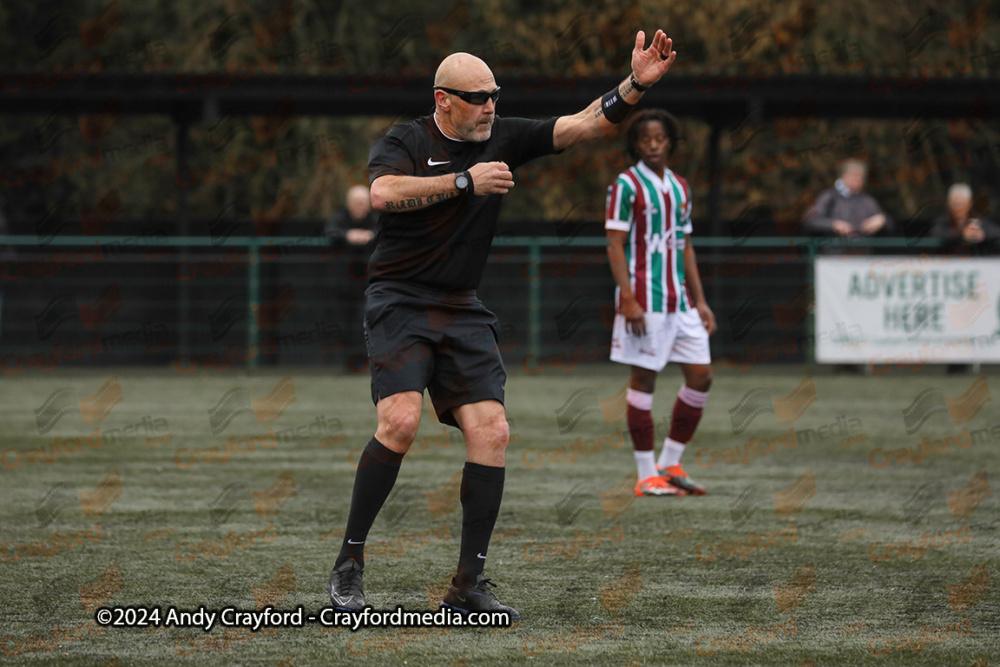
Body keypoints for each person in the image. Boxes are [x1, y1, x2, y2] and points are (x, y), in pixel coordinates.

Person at [327, 31, 679, 621]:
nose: (491, 104)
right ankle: (350, 561)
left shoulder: (505, 136)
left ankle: (468, 583)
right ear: (444, 100)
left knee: (493, 432)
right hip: (400, 301)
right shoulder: (407, 139)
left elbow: (583, 124)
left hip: (462, 306)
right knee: (401, 421)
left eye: (495, 93)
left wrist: (636, 83)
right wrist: (464, 181)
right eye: (478, 96)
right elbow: (383, 192)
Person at [605, 109, 715, 498]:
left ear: (670, 143)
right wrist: (629, 300)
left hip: (679, 302)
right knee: (644, 381)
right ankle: (645, 474)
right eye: (645, 139)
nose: (653, 144)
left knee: (701, 375)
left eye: (660, 138)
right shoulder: (626, 184)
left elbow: (684, 245)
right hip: (644, 301)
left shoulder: (680, 186)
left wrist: (700, 301)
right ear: (635, 144)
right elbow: (614, 244)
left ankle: (670, 463)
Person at [325, 185, 377, 366]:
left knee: (366, 322)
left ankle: (366, 362)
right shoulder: (340, 218)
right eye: (356, 202)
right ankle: (345, 363)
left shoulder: (375, 219)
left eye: (363, 202)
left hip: (369, 284)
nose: (360, 206)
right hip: (343, 283)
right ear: (349, 204)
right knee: (342, 322)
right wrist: (348, 235)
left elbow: (386, 233)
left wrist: (370, 236)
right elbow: (330, 231)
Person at [802, 159, 892, 250]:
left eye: (860, 177)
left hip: (862, 257)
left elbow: (891, 226)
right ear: (843, 177)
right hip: (833, 257)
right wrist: (833, 224)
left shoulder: (867, 201)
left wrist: (882, 220)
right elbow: (809, 220)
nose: (857, 181)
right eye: (853, 176)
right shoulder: (829, 197)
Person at [928, 183, 1000, 250]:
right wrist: (963, 234)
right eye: (955, 204)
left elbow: (996, 231)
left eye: (961, 204)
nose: (958, 209)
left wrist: (983, 234)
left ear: (969, 204)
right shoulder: (943, 219)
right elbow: (936, 232)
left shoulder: (976, 218)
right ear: (948, 204)